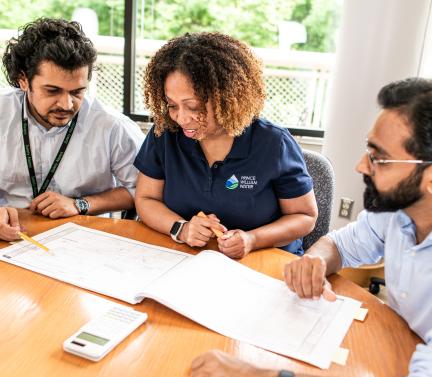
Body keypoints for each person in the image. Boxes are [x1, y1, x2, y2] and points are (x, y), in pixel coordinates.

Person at [190, 78, 432, 377]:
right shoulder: (396, 213)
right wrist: (316, 259)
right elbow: (340, 244)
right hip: (402, 355)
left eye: (379, 158)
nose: (361, 166)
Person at [134, 32, 317, 259]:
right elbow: (145, 199)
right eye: (172, 105)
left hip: (262, 261)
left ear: (228, 98)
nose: (181, 118)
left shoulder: (273, 144)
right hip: (186, 258)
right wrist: (181, 228)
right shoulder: (165, 133)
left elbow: (304, 217)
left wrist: (253, 239)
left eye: (193, 106)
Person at [0, 18, 144, 241]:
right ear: (23, 81)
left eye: (77, 92)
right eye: (52, 91)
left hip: (86, 240)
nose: (66, 105)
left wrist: (80, 204)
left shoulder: (112, 126)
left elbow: (144, 192)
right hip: (12, 235)